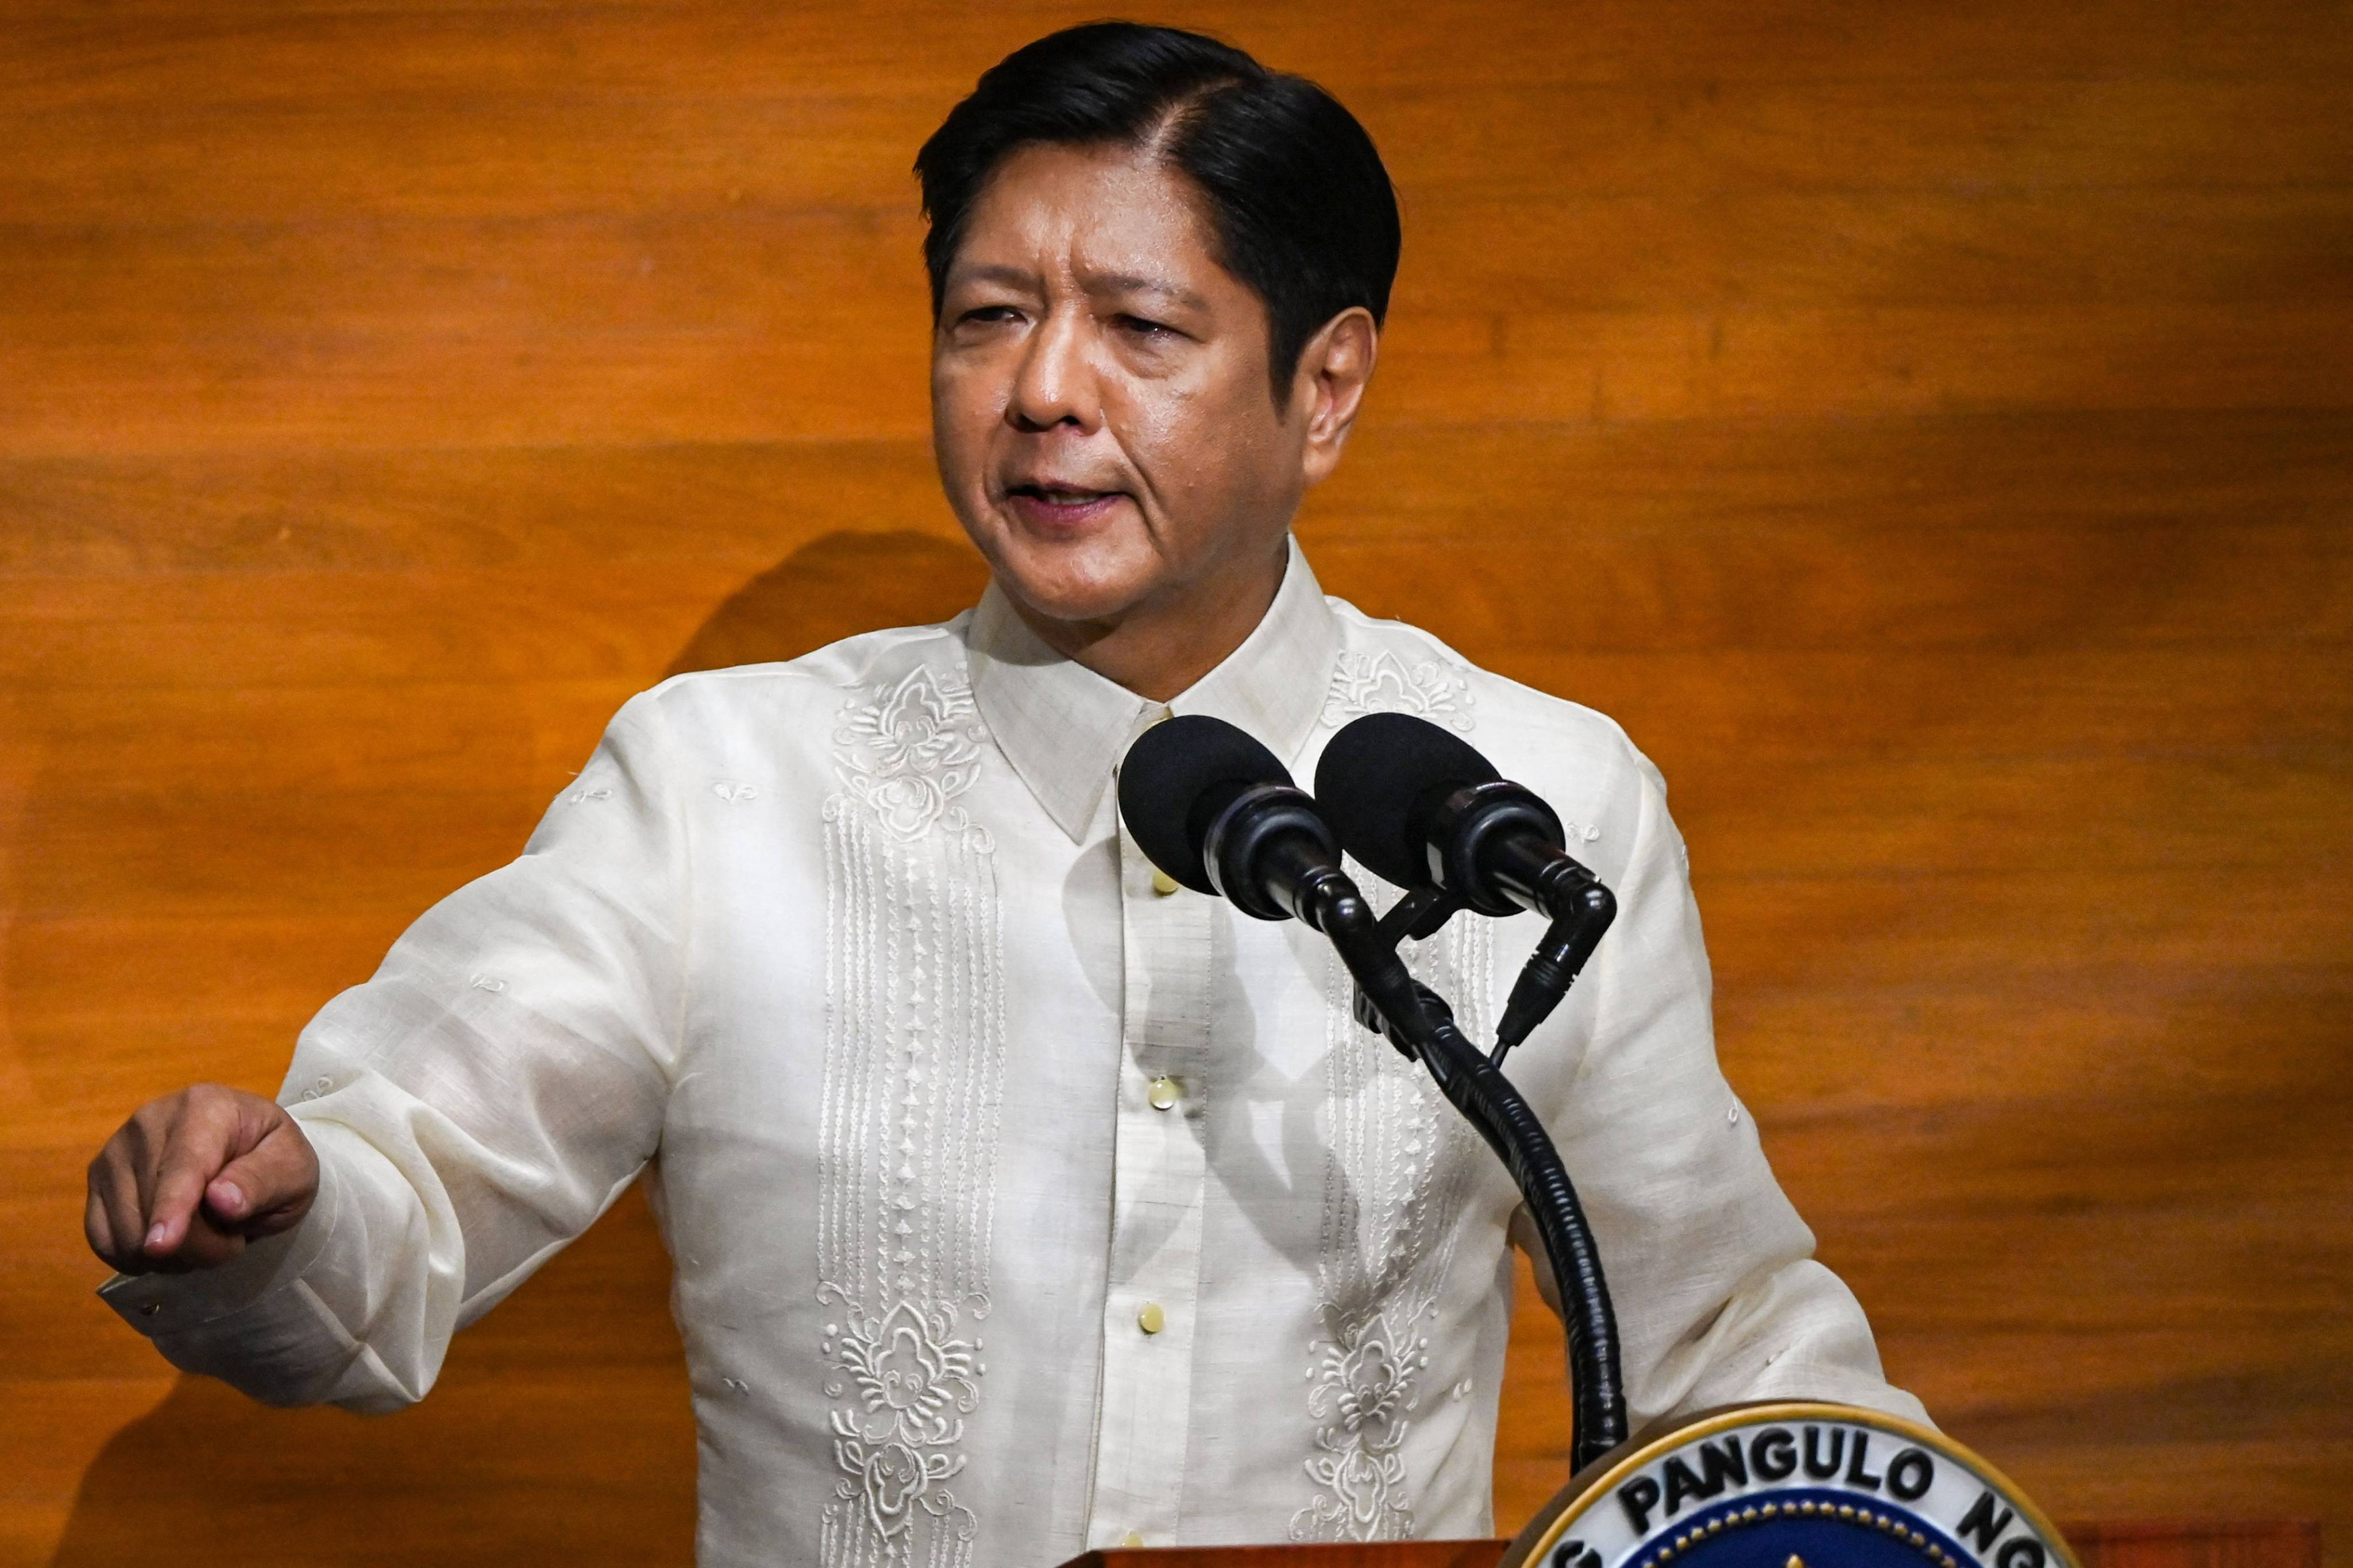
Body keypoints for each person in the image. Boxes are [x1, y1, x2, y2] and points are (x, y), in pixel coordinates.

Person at [83, 21, 1925, 1566]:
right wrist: (282, 1202)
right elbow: (394, 1212)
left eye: (1139, 327)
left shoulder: (1528, 808)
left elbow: (1725, 1341)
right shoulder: (726, 785)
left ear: (1328, 385)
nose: (1043, 390)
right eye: (988, 315)